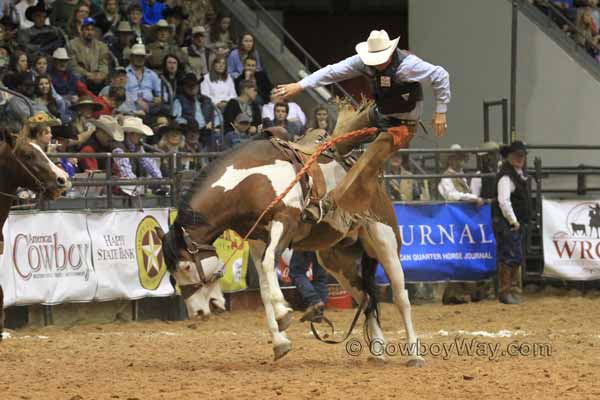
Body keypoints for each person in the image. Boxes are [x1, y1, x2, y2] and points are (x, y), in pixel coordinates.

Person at [277, 29, 450, 138]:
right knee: (344, 136)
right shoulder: (361, 62)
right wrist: (300, 85)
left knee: (374, 153)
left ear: (389, 54)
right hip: (382, 113)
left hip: (406, 119)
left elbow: (440, 75)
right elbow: (332, 71)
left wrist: (441, 111)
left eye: (380, 59)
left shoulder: (407, 66)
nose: (377, 63)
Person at [437, 144, 486, 305]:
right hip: (453, 221)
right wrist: (472, 198)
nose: (460, 161)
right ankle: (452, 293)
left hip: (461, 221)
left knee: (462, 254)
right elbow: (451, 195)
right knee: (455, 255)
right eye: (457, 157)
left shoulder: (461, 177)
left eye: (461, 157)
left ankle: (464, 291)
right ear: (450, 159)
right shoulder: (446, 178)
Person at [495, 140, 530, 305]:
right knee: (509, 255)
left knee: (513, 255)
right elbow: (504, 201)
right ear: (509, 156)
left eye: (522, 155)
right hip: (508, 223)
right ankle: (505, 291)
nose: (520, 158)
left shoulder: (516, 174)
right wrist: (513, 220)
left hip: (513, 222)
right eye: (517, 155)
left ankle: (511, 290)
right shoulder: (507, 176)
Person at [113, 115, 164, 196]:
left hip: (134, 188)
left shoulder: (138, 147)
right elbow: (126, 174)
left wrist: (159, 180)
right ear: (130, 134)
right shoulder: (119, 148)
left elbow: (149, 163)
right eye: (139, 134)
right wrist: (144, 186)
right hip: (120, 190)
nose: (141, 137)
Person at [172, 72, 221, 151]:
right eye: (189, 86)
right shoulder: (179, 100)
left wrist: (213, 124)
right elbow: (176, 118)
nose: (192, 88)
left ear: (198, 86)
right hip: (189, 131)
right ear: (184, 87)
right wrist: (188, 123)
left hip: (206, 131)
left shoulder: (206, 100)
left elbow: (219, 115)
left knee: (216, 137)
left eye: (194, 85)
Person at [68, 17, 111, 93]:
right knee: (76, 76)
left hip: (98, 79)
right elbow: (72, 66)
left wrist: (101, 74)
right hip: (82, 77)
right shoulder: (72, 44)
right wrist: (88, 74)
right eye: (87, 29)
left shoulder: (102, 46)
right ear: (81, 31)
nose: (90, 32)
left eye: (92, 30)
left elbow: (104, 64)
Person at [289, 251, 328, 322]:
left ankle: (315, 300)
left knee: (297, 272)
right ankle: (318, 313)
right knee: (320, 276)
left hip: (305, 242)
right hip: (325, 243)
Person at [125, 43, 162, 116]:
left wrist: (160, 98)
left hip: (150, 107)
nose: (140, 59)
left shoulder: (151, 74)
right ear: (131, 57)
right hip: (131, 107)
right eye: (137, 56)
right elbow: (121, 92)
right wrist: (136, 100)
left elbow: (162, 91)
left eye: (142, 57)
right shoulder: (124, 73)